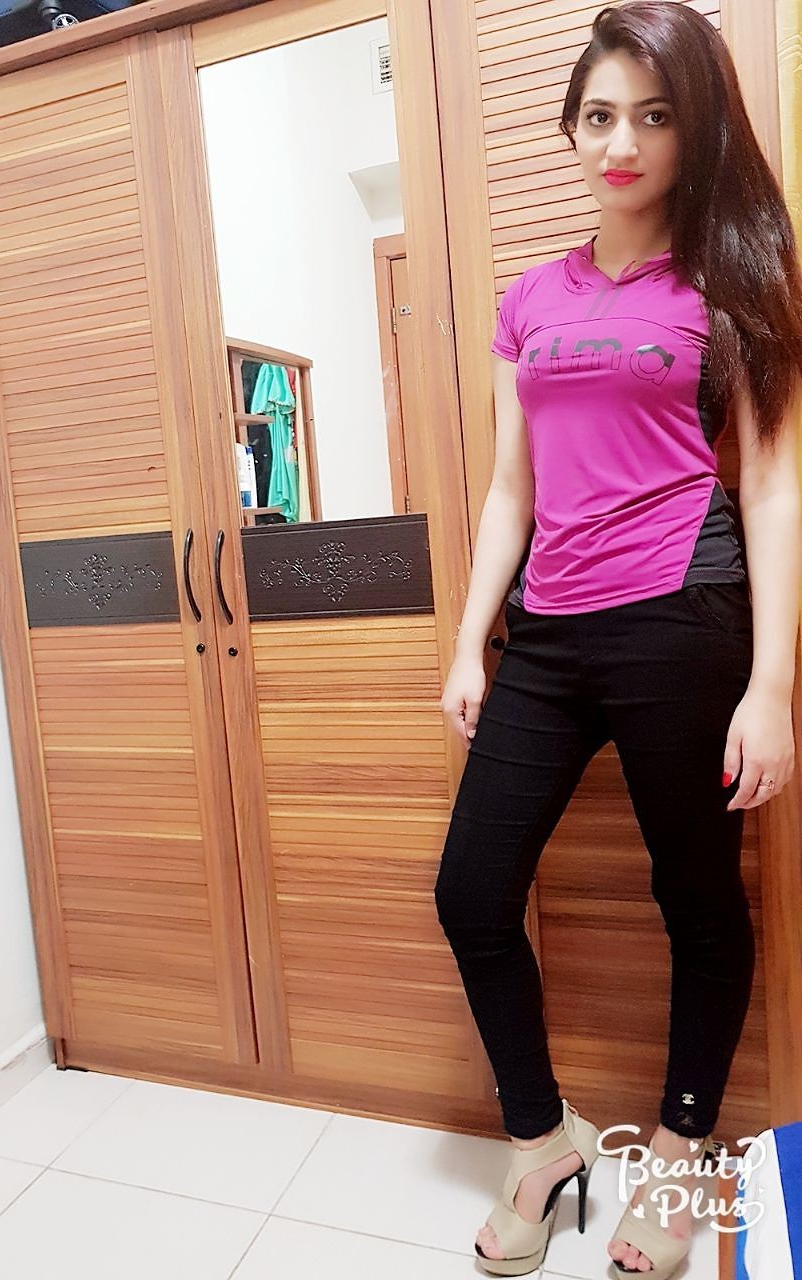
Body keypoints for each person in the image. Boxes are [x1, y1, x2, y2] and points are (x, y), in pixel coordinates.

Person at [433, 3, 802, 1278]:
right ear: (571, 129)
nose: (623, 143)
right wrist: (470, 641)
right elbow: (509, 490)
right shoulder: (529, 299)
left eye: (653, 115)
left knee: (695, 898)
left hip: (681, 617)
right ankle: (542, 1138)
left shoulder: (729, 282)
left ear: (692, 130)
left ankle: (685, 1153)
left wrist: (771, 682)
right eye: (599, 116)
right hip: (547, 628)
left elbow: (771, 485)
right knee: (471, 891)